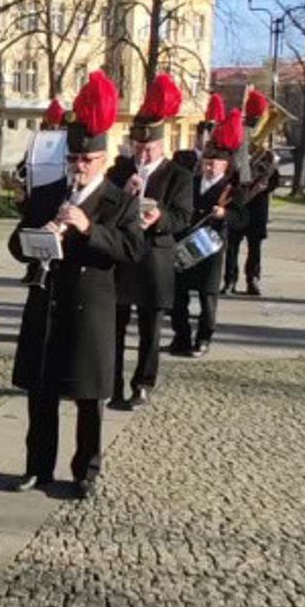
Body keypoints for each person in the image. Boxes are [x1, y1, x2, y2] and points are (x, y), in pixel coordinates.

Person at [10, 71, 143, 500]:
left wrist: (87, 229)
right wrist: (38, 238)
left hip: (91, 305)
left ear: (102, 160)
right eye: (72, 160)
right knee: (41, 392)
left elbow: (130, 249)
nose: (78, 167)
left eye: (86, 161)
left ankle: (86, 469)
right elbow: (17, 242)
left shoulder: (119, 201)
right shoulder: (49, 193)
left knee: (89, 397)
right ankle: (37, 466)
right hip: (47, 300)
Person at [108, 73, 192, 410]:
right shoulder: (118, 171)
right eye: (138, 146)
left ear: (161, 144)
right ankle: (111, 382)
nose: (142, 153)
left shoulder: (178, 175)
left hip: (155, 258)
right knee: (114, 325)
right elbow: (103, 208)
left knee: (150, 329)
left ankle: (143, 382)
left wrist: (160, 218)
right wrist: (121, 194)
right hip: (122, 256)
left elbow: (183, 216)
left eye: (149, 147)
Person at [171, 108, 248, 357]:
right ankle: (180, 337)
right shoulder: (191, 183)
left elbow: (241, 218)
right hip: (186, 242)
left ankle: (203, 338)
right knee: (178, 295)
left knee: (207, 296)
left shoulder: (231, 190)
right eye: (206, 162)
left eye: (214, 163)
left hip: (211, 246)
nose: (210, 166)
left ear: (226, 165)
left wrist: (224, 214)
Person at [223, 90, 278, 296]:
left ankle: (252, 279)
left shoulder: (267, 155)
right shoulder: (237, 151)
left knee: (255, 247)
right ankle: (229, 280)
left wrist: (266, 184)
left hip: (257, 206)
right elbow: (231, 175)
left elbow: (274, 179)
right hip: (237, 202)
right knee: (232, 246)